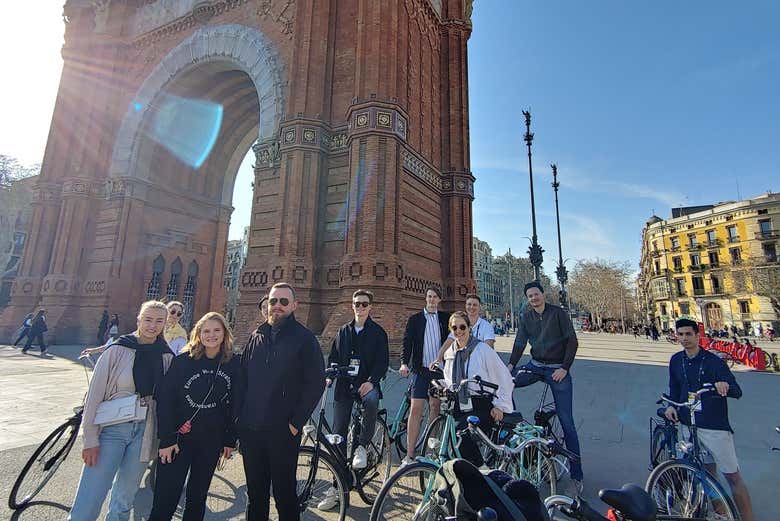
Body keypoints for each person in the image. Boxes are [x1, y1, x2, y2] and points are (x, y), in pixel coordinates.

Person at [68, 300, 173, 521]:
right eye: (148, 320)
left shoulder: (166, 355)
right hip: (112, 430)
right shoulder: (117, 349)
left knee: (124, 498)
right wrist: (90, 439)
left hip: (145, 432)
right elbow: (95, 396)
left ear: (165, 324)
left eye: (159, 321)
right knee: (90, 496)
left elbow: (168, 399)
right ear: (138, 320)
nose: (153, 326)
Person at [235, 282, 325, 521]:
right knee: (256, 495)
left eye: (283, 302)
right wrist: (240, 421)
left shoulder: (304, 339)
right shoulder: (257, 336)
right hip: (252, 430)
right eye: (273, 301)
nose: (277, 306)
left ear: (294, 305)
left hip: (283, 432)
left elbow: (315, 383)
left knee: (284, 495)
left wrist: (295, 423)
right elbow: (242, 381)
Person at [148, 312, 243, 521]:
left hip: (210, 441)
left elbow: (235, 404)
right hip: (179, 440)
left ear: (225, 333)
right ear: (198, 334)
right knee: (165, 500)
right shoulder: (183, 361)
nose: (211, 335)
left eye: (217, 330)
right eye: (206, 331)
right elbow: (165, 401)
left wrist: (229, 438)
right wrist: (167, 439)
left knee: (197, 498)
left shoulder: (233, 363)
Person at [664, 318, 754, 521]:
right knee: (707, 475)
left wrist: (724, 386)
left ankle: (748, 517)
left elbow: (736, 390)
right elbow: (675, 388)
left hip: (714, 426)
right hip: (689, 423)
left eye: (689, 334)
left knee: (732, 476)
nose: (685, 339)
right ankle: (721, 514)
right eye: (681, 334)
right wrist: (671, 405)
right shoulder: (676, 360)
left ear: (698, 336)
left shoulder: (714, 362)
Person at [508, 281, 583, 492]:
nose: (533, 298)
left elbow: (572, 341)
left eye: (536, 294)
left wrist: (565, 368)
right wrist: (511, 365)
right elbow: (520, 343)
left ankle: (577, 473)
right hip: (535, 365)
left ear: (543, 294)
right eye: (530, 296)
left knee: (567, 421)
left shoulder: (557, 313)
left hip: (557, 368)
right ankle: (517, 425)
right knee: (507, 384)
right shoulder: (526, 317)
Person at [319, 289, 389, 510]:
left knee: (370, 401)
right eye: (357, 304)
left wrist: (372, 381)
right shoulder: (343, 331)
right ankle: (336, 487)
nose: (360, 307)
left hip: (365, 384)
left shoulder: (378, 333)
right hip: (344, 387)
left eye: (364, 304)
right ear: (352, 306)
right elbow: (334, 357)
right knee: (337, 436)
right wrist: (328, 377)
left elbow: (382, 362)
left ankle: (362, 445)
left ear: (371, 307)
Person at [442, 311, 514, 467]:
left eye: (462, 327)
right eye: (454, 328)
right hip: (460, 405)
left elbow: (504, 378)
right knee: (450, 437)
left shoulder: (482, 350)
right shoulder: (450, 353)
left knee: (462, 435)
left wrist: (500, 406)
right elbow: (449, 379)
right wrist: (443, 387)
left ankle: (482, 471)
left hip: (481, 404)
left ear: (469, 328)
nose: (459, 331)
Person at [400, 287, 450, 466]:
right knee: (415, 409)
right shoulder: (415, 319)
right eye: (429, 296)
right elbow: (407, 342)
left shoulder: (445, 319)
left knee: (435, 407)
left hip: (438, 370)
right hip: (420, 370)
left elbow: (456, 334)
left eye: (435, 297)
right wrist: (404, 363)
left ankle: (431, 450)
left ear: (439, 300)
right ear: (425, 298)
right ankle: (410, 454)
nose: (431, 300)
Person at [431, 293, 496, 368]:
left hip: (480, 366)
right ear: (465, 306)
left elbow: (488, 348)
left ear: (479, 307)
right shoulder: (459, 324)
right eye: (469, 304)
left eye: (475, 305)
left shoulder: (487, 326)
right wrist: (438, 359)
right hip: (461, 366)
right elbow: (448, 342)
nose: (471, 307)